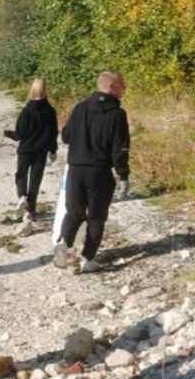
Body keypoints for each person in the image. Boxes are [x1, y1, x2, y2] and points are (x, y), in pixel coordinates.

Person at [54, 71, 130, 273]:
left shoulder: (80, 108)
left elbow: (66, 136)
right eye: (122, 85)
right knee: (96, 217)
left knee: (74, 213)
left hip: (76, 170)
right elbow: (120, 148)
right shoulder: (117, 114)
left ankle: (67, 251)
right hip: (100, 172)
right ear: (112, 87)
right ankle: (87, 258)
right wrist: (123, 174)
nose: (125, 89)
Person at [12, 78, 58, 223]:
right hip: (41, 151)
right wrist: (53, 150)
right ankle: (30, 211)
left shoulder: (26, 111)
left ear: (32, 90)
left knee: (21, 175)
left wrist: (6, 133)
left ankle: (22, 197)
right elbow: (53, 132)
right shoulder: (50, 111)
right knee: (35, 180)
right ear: (46, 90)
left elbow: (19, 134)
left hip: (25, 150)